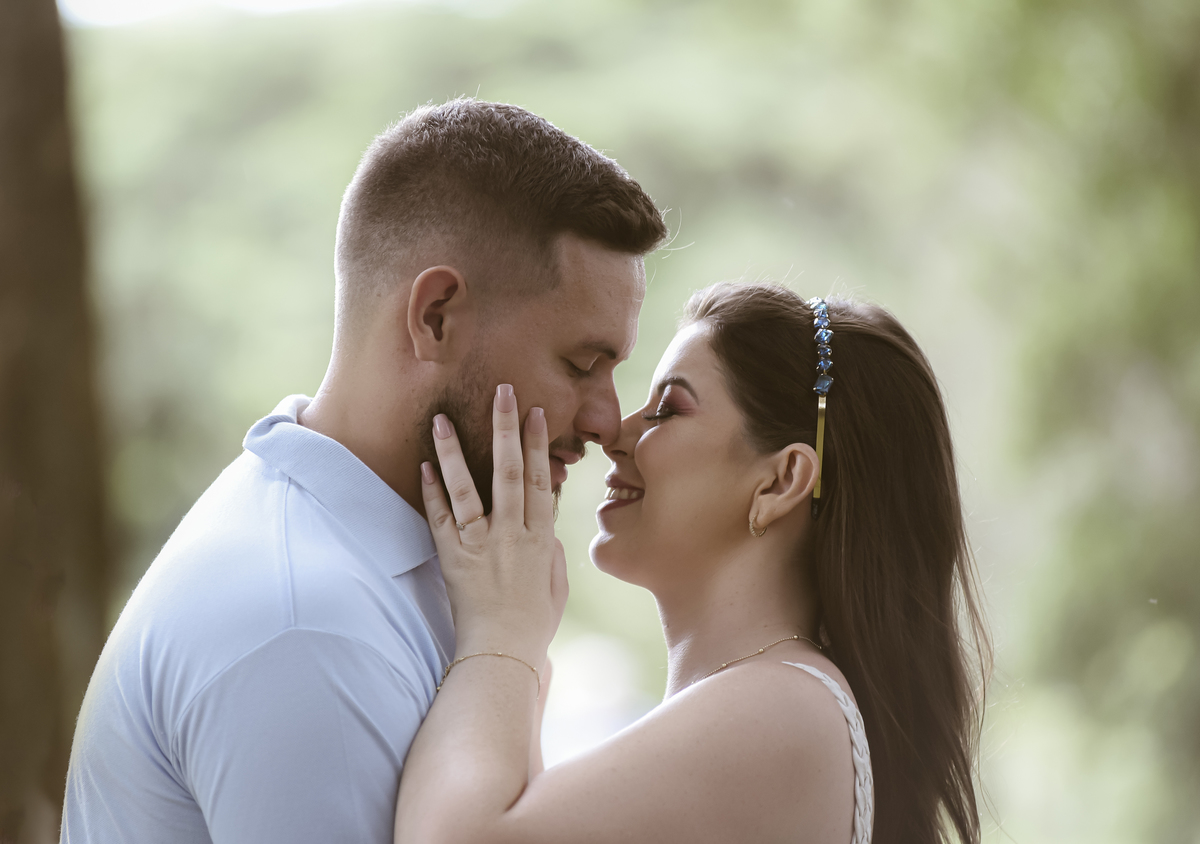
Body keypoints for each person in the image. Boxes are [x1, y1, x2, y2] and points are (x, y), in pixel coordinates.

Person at [60, 99, 666, 844]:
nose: (608, 422)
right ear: (435, 315)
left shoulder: (413, 569)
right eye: (581, 364)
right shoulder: (306, 629)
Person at [396, 283, 991, 844]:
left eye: (667, 409)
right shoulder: (774, 705)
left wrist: (502, 633)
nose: (615, 431)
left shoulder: (782, 709)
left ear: (780, 481)